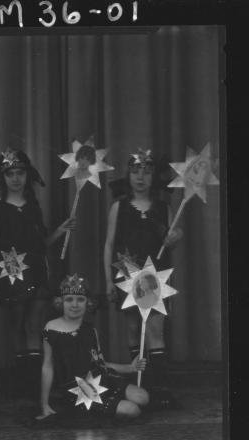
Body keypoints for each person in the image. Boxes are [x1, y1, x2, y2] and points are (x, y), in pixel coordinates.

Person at [0, 149, 75, 394]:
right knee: (17, 323)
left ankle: (36, 381)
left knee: (35, 323)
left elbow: (42, 242)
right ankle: (22, 379)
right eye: (10, 173)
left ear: (28, 175)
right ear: (3, 177)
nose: (15, 178)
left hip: (36, 268)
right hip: (10, 269)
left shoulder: (34, 206)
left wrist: (60, 230)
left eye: (20, 173)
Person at [103, 149, 182, 409]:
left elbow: (172, 236)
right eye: (135, 171)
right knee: (134, 329)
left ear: (152, 177)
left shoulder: (163, 207)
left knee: (155, 329)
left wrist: (175, 236)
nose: (140, 177)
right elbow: (109, 244)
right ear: (128, 175)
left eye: (146, 172)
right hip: (127, 274)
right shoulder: (119, 207)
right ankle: (139, 383)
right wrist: (107, 281)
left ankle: (158, 386)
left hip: (155, 275)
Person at [37, 274, 149, 422]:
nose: (75, 305)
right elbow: (48, 366)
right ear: (61, 302)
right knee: (133, 410)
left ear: (88, 303)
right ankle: (108, 407)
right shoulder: (51, 328)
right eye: (69, 300)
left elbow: (100, 363)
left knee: (143, 397)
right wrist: (44, 403)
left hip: (101, 378)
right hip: (79, 387)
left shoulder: (90, 330)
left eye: (80, 300)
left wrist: (130, 368)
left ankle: (114, 402)